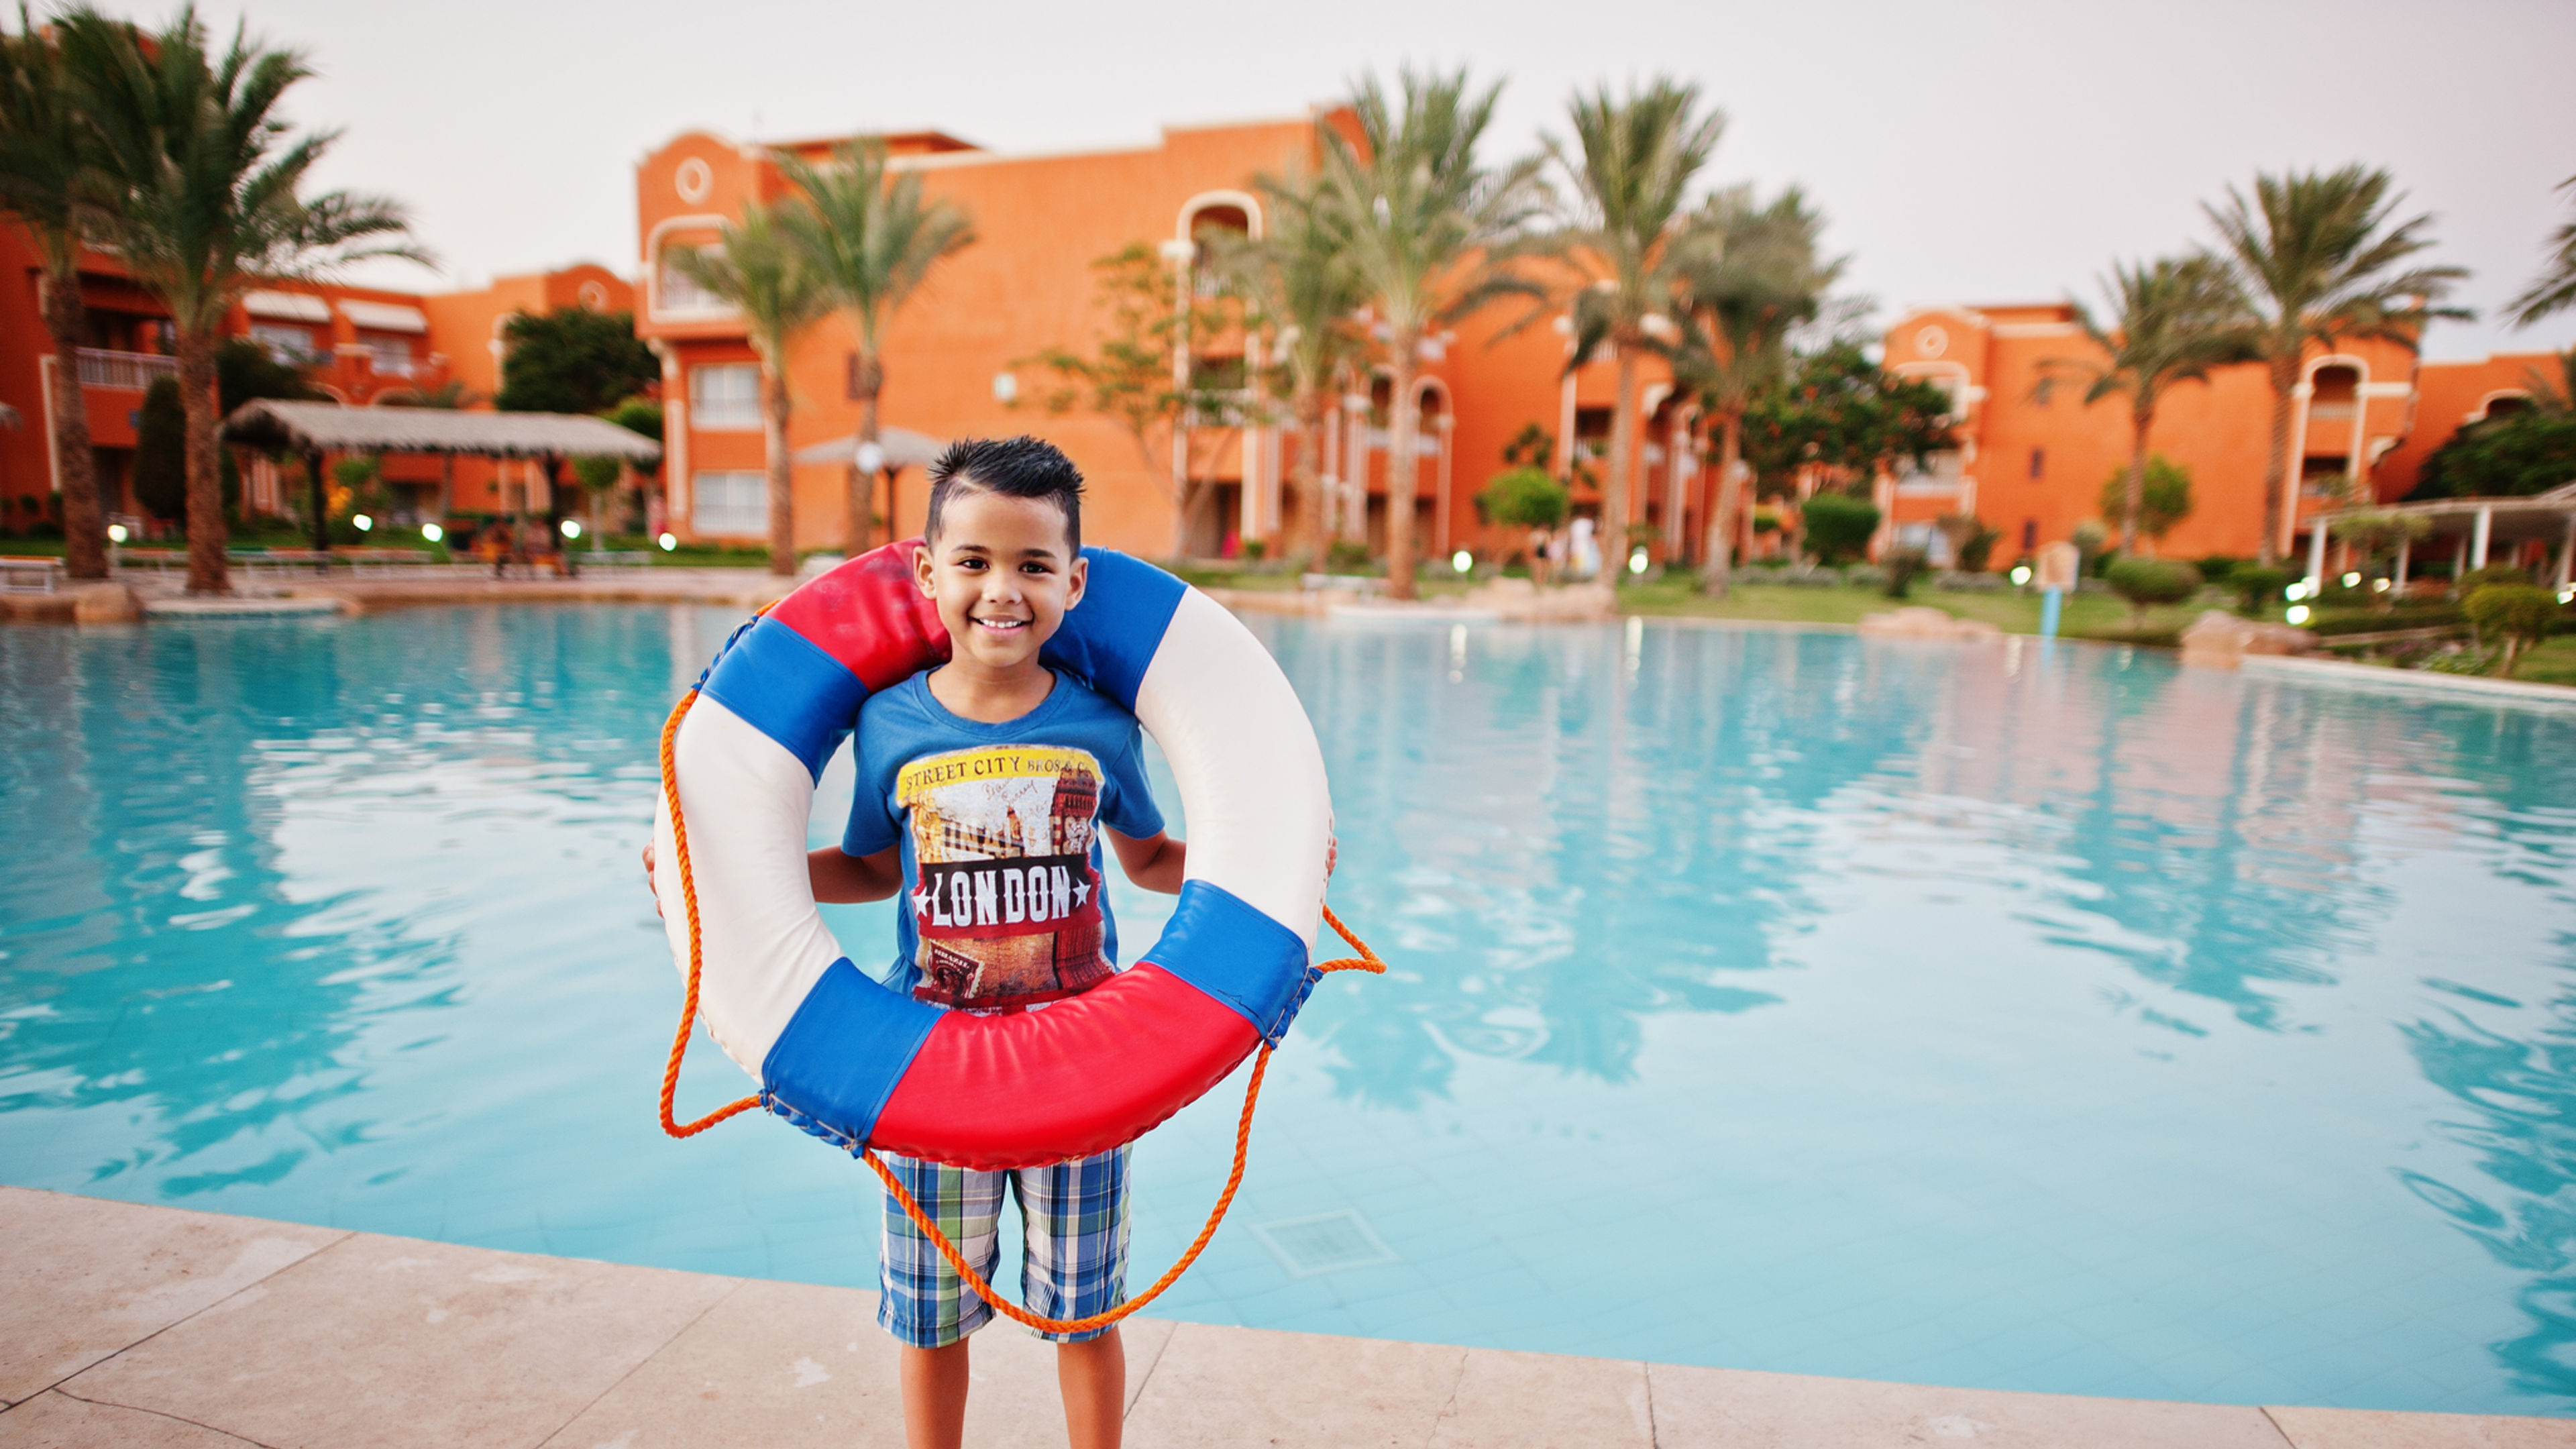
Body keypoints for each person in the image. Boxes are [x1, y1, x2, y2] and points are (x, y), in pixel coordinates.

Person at [814, 435, 1181, 1449]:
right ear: (929, 574)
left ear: (1075, 579)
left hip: (1080, 1060)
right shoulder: (888, 725)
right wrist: (729, 875)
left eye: (1031, 565)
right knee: (932, 1317)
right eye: (973, 563)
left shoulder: (1102, 726)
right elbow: (873, 869)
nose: (1001, 592)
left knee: (1084, 1307)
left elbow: (1148, 861)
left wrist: (1274, 866)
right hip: (932, 1062)